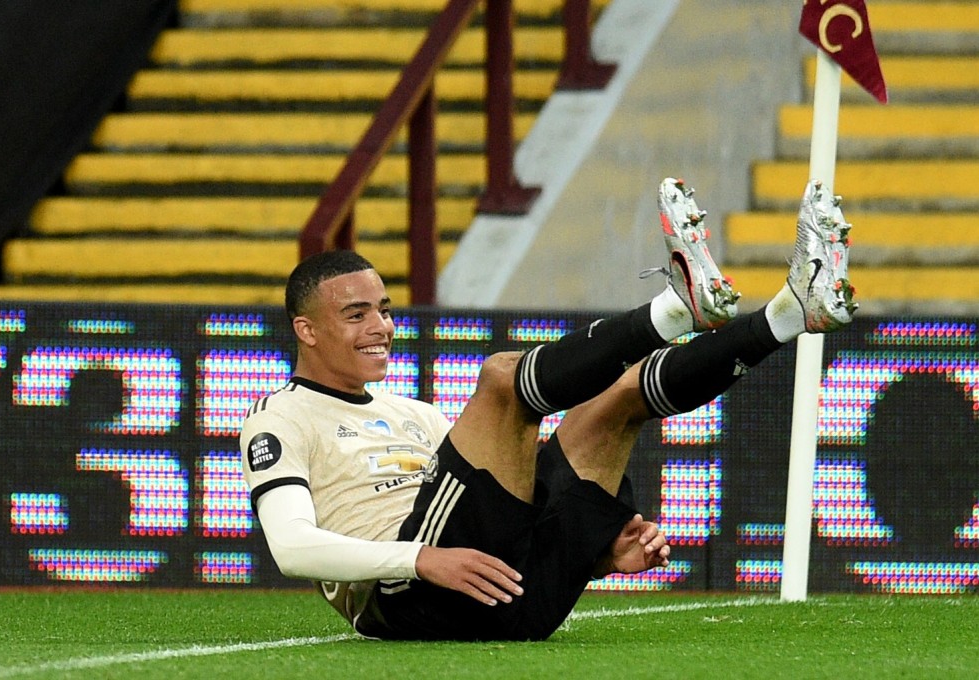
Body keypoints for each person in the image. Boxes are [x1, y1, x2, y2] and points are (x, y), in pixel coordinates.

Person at [239, 177, 856, 641]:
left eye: (385, 309)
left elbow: (510, 498)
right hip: (412, 596)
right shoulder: (281, 418)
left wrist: (599, 555)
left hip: (518, 601)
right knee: (502, 380)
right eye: (356, 314)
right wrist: (420, 558)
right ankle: (676, 310)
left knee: (619, 399)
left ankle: (790, 314)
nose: (381, 326)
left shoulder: (414, 413)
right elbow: (292, 548)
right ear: (307, 331)